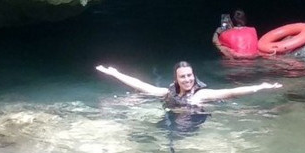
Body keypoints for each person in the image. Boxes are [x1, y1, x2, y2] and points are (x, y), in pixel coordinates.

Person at [96, 61, 282, 109]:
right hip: (172, 114)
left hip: (193, 121)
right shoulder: (167, 93)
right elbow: (141, 85)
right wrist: (115, 73)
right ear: (176, 80)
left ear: (194, 76)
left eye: (189, 75)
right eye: (183, 77)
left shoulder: (201, 95)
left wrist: (260, 86)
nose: (187, 80)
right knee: (135, 100)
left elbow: (231, 92)